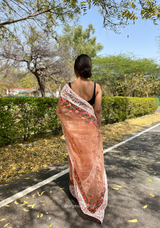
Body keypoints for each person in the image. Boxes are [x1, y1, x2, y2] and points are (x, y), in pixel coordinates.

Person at [56, 54, 108, 224]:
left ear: (75, 68)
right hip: (91, 131)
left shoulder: (68, 88)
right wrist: (97, 128)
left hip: (76, 133)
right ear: (89, 68)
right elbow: (97, 111)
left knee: (77, 160)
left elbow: (62, 110)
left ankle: (78, 192)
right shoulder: (96, 87)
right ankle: (92, 193)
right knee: (92, 162)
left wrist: (70, 127)